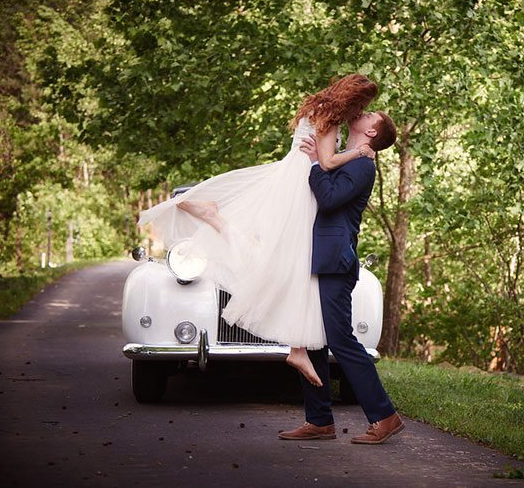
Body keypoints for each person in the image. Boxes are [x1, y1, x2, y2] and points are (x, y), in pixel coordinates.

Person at [137, 74, 379, 388]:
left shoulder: (320, 107)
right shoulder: (330, 117)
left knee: (282, 260)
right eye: (362, 104)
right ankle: (296, 348)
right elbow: (328, 162)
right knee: (292, 265)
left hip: (291, 180)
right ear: (350, 98)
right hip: (300, 191)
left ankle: (217, 220)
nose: (360, 111)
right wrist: (360, 153)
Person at [278, 110, 405, 445]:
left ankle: (385, 416)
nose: (359, 114)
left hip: (336, 261)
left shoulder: (363, 165)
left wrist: (316, 164)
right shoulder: (345, 159)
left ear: (373, 131)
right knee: (314, 335)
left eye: (367, 115)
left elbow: (329, 199)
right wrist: (320, 159)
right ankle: (319, 421)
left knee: (341, 341)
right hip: (320, 257)